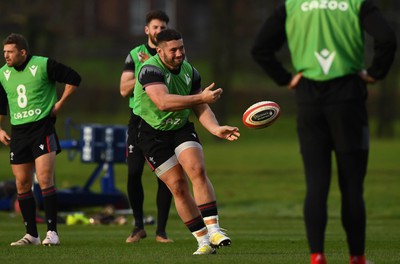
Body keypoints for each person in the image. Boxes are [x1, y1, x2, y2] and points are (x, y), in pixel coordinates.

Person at [251, 1, 396, 264]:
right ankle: (357, 258)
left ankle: (317, 256)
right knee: (352, 187)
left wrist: (285, 78)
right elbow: (387, 38)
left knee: (316, 185)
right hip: (348, 96)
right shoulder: (356, 3)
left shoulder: (292, 5)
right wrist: (376, 73)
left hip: (309, 98)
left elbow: (259, 48)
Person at [133, 28, 240, 255]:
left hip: (180, 128)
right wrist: (200, 97)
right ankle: (203, 242)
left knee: (197, 169)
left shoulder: (191, 71)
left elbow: (200, 107)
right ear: (160, 51)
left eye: (182, 47)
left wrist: (215, 128)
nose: (179, 53)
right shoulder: (149, 69)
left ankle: (214, 230)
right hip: (152, 135)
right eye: (173, 50)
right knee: (178, 187)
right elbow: (162, 102)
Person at [0, 33, 81, 246]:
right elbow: (1, 105)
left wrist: (59, 104)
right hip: (18, 133)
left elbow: (74, 78)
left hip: (42, 128)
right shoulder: (2, 74)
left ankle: (52, 232)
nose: (6, 56)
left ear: (23, 52)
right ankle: (32, 235)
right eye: (4, 52)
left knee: (45, 179)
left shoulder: (43, 65)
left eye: (10, 52)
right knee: (22, 183)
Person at [119, 10, 173, 243]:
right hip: (138, 120)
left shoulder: (174, 52)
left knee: (166, 177)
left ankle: (161, 231)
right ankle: (138, 226)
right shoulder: (135, 54)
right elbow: (123, 89)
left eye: (162, 27)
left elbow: (176, 84)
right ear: (147, 30)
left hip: (163, 120)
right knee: (133, 173)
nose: (159, 31)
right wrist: (146, 68)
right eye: (155, 27)